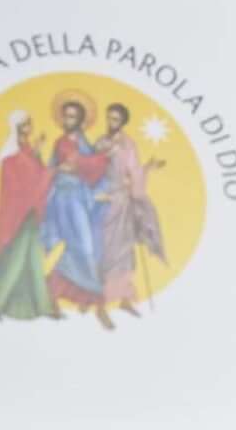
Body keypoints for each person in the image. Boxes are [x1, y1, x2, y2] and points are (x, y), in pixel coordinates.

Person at [0, 110, 59, 320]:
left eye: (30, 123)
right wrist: (54, 171)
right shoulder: (11, 155)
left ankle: (41, 305)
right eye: (26, 124)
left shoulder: (25, 149)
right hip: (18, 217)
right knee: (15, 261)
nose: (30, 127)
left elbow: (34, 171)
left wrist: (37, 152)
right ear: (18, 128)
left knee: (33, 260)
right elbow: (28, 182)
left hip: (29, 214)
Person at [41, 95, 113, 329]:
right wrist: (59, 169)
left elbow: (95, 170)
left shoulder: (84, 144)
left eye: (72, 117)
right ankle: (95, 305)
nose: (67, 120)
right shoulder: (59, 142)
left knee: (85, 250)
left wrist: (103, 188)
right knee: (80, 249)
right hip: (63, 200)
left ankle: (55, 295)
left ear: (81, 120)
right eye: (65, 116)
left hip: (80, 199)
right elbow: (50, 170)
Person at [93, 102, 166, 324]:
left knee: (124, 254)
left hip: (123, 203)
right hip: (104, 201)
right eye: (109, 118)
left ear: (123, 122)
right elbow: (90, 169)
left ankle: (124, 299)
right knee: (106, 254)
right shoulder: (101, 142)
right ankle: (100, 306)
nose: (111, 122)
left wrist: (147, 169)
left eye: (115, 119)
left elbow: (134, 174)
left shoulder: (128, 145)